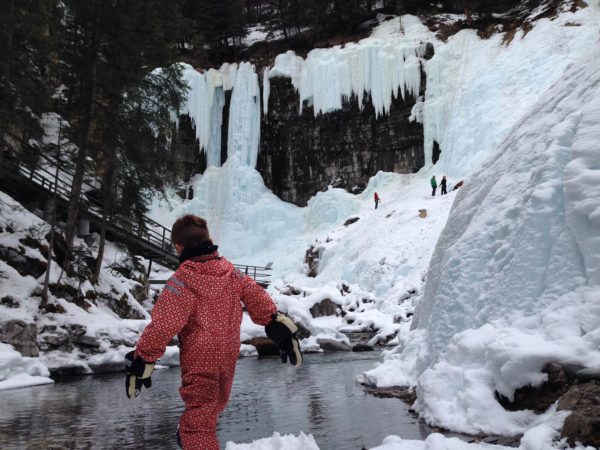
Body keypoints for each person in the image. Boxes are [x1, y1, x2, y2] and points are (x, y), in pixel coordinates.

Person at [124, 215, 302, 450]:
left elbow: (163, 325)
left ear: (178, 247)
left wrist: (142, 359)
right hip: (228, 355)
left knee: (199, 418)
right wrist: (277, 325)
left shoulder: (180, 283)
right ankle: (189, 437)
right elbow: (256, 296)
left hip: (199, 359)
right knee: (214, 404)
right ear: (209, 239)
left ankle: (190, 438)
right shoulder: (231, 272)